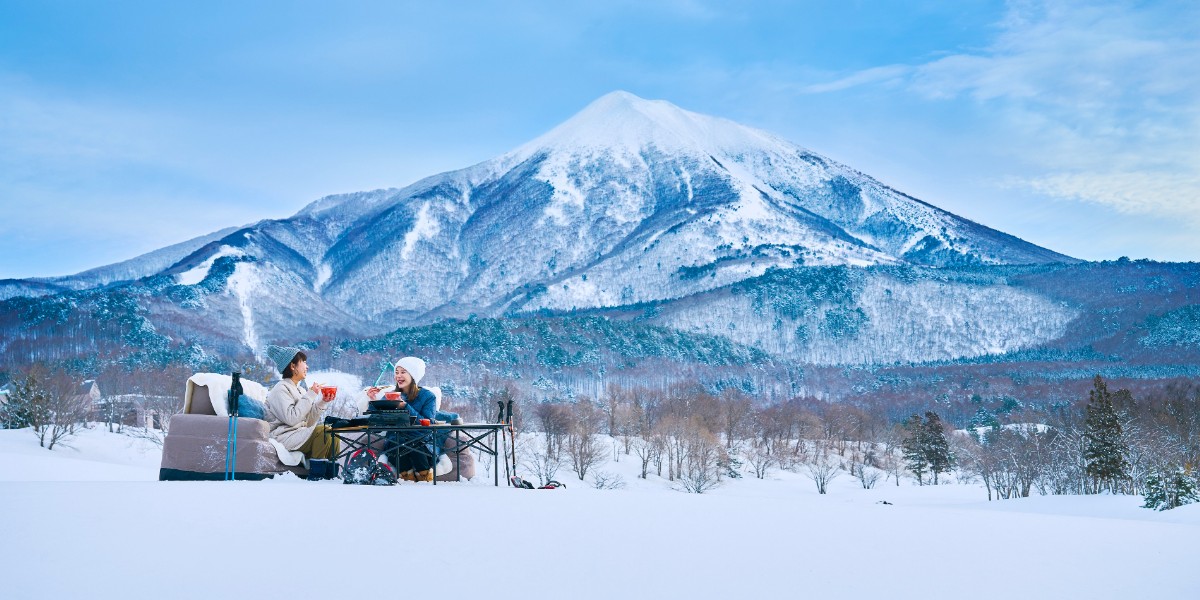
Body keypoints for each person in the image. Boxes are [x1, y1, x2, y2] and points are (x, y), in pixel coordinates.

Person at [366, 356, 439, 482]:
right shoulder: (390, 396)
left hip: (421, 445)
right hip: (396, 445)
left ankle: (425, 478)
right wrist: (373, 401)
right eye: (396, 372)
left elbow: (427, 425)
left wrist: (405, 406)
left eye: (403, 372)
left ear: (413, 375)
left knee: (414, 444)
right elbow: (376, 425)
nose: (398, 376)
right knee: (397, 444)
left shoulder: (428, 397)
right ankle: (407, 478)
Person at [264, 344, 339, 463]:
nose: (307, 366)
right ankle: (317, 473)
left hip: (299, 434)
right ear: (293, 366)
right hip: (284, 436)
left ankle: (331, 473)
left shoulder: (300, 390)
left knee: (332, 431)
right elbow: (292, 419)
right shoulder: (280, 389)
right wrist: (311, 394)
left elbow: (308, 421)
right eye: (303, 361)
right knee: (323, 431)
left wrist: (322, 402)